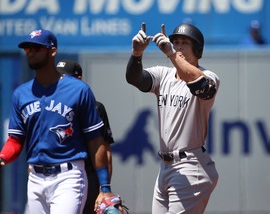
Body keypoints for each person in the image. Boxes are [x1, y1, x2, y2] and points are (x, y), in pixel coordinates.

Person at [0, 29, 118, 214]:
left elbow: (96, 143)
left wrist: (105, 188)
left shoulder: (79, 90)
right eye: (27, 48)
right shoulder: (20, 94)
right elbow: (15, 140)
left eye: (37, 48)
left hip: (69, 176)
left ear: (52, 51)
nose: (31, 52)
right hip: (35, 179)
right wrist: (3, 156)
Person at [126, 22, 220, 213]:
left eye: (185, 42)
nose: (178, 46)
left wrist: (171, 53)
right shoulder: (164, 74)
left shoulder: (209, 75)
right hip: (165, 167)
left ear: (197, 49)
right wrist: (137, 54)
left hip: (191, 165)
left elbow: (200, 85)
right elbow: (135, 79)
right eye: (175, 42)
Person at [56, 59, 115, 214]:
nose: (61, 81)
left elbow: (105, 151)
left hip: (89, 175)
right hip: (58, 175)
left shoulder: (95, 108)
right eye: (58, 77)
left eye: (65, 77)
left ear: (78, 79)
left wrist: (104, 190)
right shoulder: (50, 107)